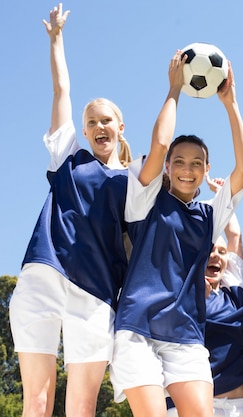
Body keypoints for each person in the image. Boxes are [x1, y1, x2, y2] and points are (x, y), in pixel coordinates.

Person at [109, 49, 243, 417]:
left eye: (196, 163)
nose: (187, 169)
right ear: (168, 169)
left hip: (186, 335)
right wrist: (174, 90)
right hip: (138, 327)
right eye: (179, 162)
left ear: (206, 171)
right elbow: (159, 144)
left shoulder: (208, 216)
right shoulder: (144, 201)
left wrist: (231, 103)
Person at [9, 4, 132, 417]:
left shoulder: (134, 180)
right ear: (84, 131)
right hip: (43, 275)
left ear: (120, 127)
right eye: (92, 122)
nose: (99, 127)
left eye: (107, 120)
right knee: (37, 403)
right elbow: (61, 90)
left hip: (95, 294)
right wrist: (56, 39)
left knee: (80, 407)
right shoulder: (68, 158)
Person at [166, 177, 243, 417]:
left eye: (221, 252)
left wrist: (222, 195)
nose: (216, 256)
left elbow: (235, 235)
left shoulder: (235, 294)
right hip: (185, 407)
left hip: (236, 407)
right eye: (209, 250)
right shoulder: (177, 293)